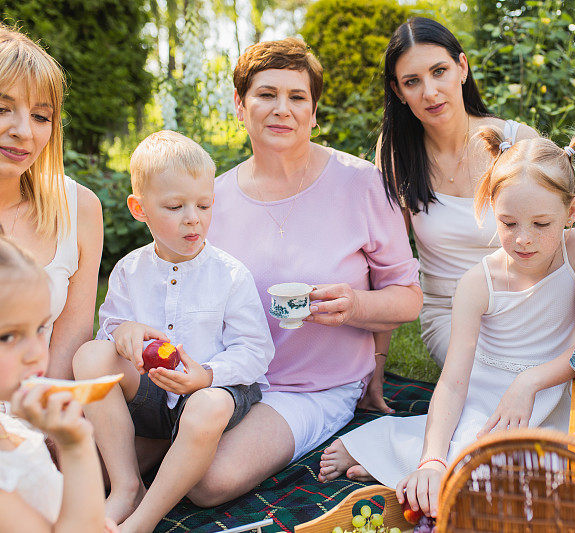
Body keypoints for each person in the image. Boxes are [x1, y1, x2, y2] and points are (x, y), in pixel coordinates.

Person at [318, 126, 575, 518]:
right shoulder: (478, 283)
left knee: (565, 471)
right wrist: (432, 462)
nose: (523, 239)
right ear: (492, 208)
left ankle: (394, 459)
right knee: (466, 462)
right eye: (508, 223)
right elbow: (454, 382)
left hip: (555, 386)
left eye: (541, 225)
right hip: (488, 397)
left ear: (570, 212)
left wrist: (530, 381)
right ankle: (400, 453)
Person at [195, 37, 421, 506]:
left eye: (297, 97)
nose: (282, 109)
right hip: (224, 375)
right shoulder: (213, 198)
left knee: (208, 481)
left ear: (314, 112)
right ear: (240, 105)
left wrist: (355, 305)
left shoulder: (361, 183)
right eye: (266, 94)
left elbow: (407, 296)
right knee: (123, 446)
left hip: (310, 388)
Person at [71, 131, 274, 532]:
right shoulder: (130, 269)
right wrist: (123, 331)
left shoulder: (230, 274)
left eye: (203, 205)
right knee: (89, 355)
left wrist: (207, 376)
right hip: (150, 396)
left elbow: (255, 350)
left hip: (208, 395)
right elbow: (109, 328)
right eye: (175, 206)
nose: (193, 218)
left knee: (209, 405)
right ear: (139, 208)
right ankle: (127, 486)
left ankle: (143, 521)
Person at [363, 17, 542, 413]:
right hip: (452, 317)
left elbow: (556, 245)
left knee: (556, 390)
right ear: (398, 90)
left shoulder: (517, 142)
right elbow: (386, 265)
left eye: (439, 71)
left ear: (462, 67)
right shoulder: (396, 154)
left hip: (530, 306)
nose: (430, 92)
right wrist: (375, 367)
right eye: (412, 81)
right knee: (499, 396)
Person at [0, 25, 103, 379]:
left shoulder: (79, 208)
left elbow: (72, 337)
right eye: (2, 108)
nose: (23, 131)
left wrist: (46, 421)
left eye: (41, 116)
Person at [0, 235, 108, 532]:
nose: (37, 352)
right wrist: (75, 446)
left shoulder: (11, 425)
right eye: (8, 336)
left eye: (39, 328)